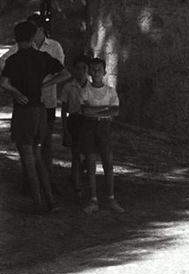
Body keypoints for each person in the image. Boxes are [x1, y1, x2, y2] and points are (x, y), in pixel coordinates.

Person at [0, 20, 70, 213]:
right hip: (40, 110)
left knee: (28, 160)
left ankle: (37, 202)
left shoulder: (14, 60)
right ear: (32, 37)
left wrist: (16, 92)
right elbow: (65, 74)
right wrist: (46, 85)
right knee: (39, 158)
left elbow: (4, 83)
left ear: (16, 38)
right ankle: (50, 201)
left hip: (23, 112)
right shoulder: (43, 57)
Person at [80, 56, 123, 213]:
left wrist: (97, 110)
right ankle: (93, 200)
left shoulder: (110, 91)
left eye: (99, 69)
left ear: (104, 72)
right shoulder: (85, 91)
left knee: (108, 163)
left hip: (105, 128)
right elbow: (85, 111)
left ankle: (111, 198)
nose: (96, 72)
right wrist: (105, 109)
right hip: (90, 128)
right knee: (91, 164)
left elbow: (116, 110)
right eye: (93, 70)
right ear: (89, 72)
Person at [26, 13, 65, 186]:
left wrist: (43, 84)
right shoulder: (25, 46)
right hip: (29, 102)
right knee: (29, 142)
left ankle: (46, 179)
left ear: (40, 30)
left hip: (47, 101)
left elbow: (61, 72)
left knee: (46, 142)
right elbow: (4, 61)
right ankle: (30, 180)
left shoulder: (54, 47)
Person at [61, 54, 90, 201]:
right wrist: (65, 130)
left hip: (89, 122)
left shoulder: (93, 86)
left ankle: (75, 175)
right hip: (74, 121)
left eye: (84, 68)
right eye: (78, 68)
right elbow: (64, 110)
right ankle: (77, 187)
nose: (81, 71)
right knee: (76, 153)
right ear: (74, 70)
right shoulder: (68, 87)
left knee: (89, 154)